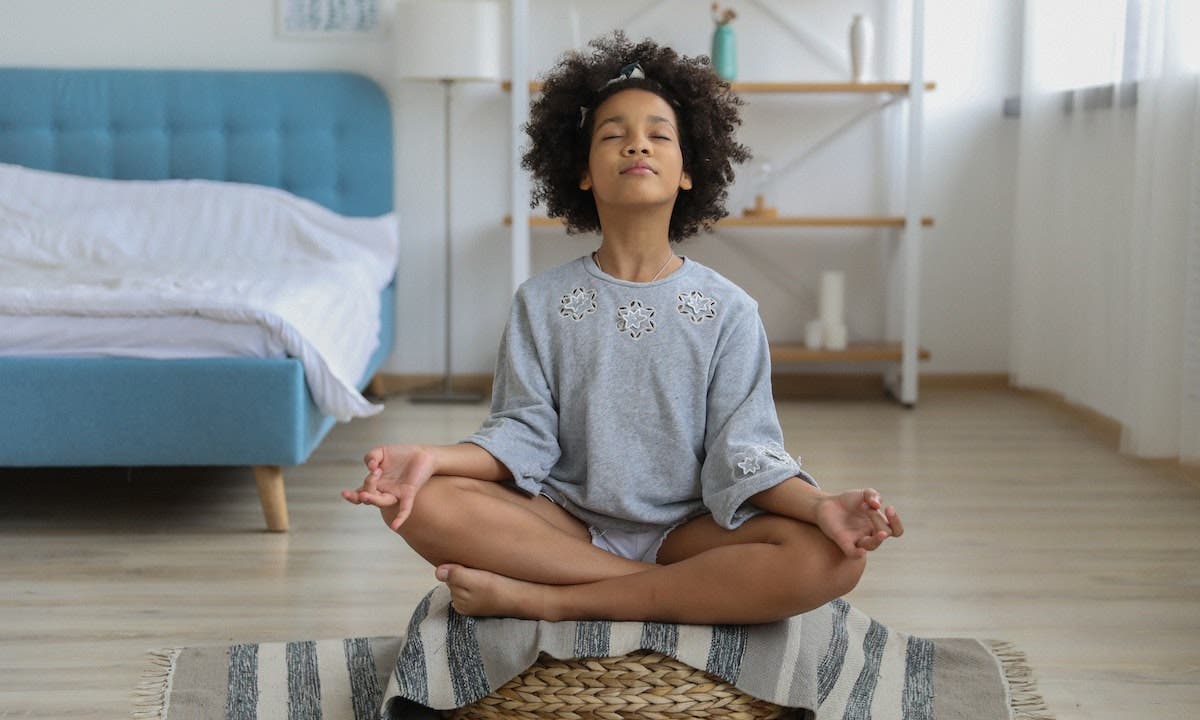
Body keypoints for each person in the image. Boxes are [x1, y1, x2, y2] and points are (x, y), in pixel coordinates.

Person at [343, 33, 902, 626]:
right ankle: (679, 592)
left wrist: (819, 506)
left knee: (831, 559)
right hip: (563, 525)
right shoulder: (540, 302)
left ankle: (551, 599)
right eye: (612, 134)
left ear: (689, 171)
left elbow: (744, 453)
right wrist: (431, 456)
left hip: (691, 531)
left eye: (659, 134)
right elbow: (521, 436)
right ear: (583, 172)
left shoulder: (731, 310)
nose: (637, 143)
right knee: (421, 501)